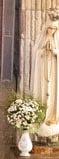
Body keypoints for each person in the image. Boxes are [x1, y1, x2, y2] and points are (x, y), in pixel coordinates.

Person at [31, 10, 59, 138]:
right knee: (42, 93)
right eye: (49, 28)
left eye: (54, 29)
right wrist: (42, 51)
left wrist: (54, 51)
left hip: (54, 72)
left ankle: (52, 118)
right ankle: (41, 117)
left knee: (53, 94)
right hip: (42, 71)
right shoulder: (41, 38)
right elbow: (36, 53)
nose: (51, 31)